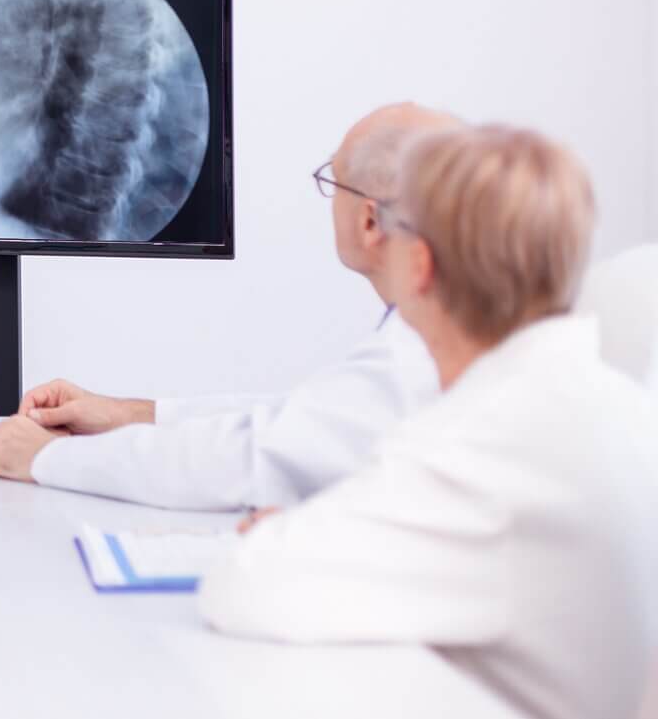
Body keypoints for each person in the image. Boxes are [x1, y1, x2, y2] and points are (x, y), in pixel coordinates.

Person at [199, 125, 658, 719]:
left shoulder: (480, 447)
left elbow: (245, 585)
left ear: (418, 264)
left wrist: (283, 537)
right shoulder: (621, 406)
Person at [0, 103, 459, 509]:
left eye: (331, 180)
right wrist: (122, 413)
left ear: (369, 221)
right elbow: (296, 418)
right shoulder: (435, 331)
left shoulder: (413, 362)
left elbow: (245, 458)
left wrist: (43, 456)